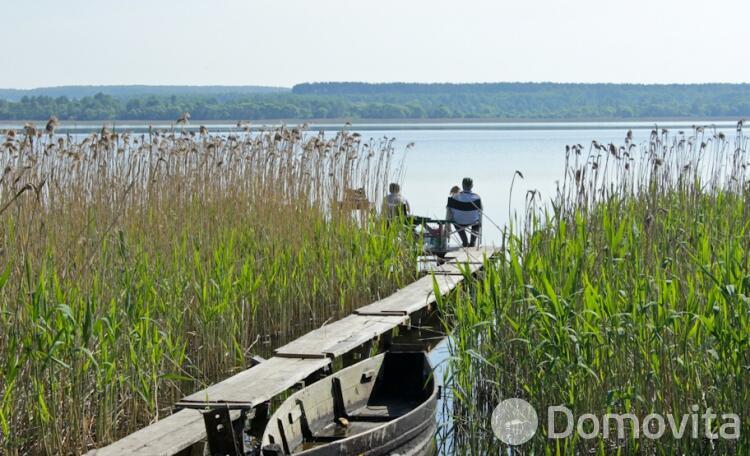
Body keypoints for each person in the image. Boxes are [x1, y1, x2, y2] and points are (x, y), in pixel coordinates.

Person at [446, 177, 482, 247]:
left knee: (455, 220)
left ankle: (465, 241)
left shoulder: (454, 197)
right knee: (477, 222)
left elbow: (449, 209)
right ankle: (472, 242)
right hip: (473, 221)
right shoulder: (477, 198)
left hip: (458, 222)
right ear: (472, 186)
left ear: (462, 185)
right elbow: (480, 210)